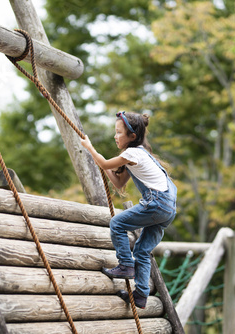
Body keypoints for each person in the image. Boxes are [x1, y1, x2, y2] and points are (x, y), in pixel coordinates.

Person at [81, 111, 177, 309]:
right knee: (142, 251)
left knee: (117, 223)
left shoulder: (133, 153)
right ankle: (141, 294)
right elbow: (118, 182)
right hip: (168, 209)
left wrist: (91, 149)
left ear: (132, 137)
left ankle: (125, 265)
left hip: (157, 203)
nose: (115, 136)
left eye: (119, 132)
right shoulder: (140, 154)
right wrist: (103, 165)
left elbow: (106, 163)